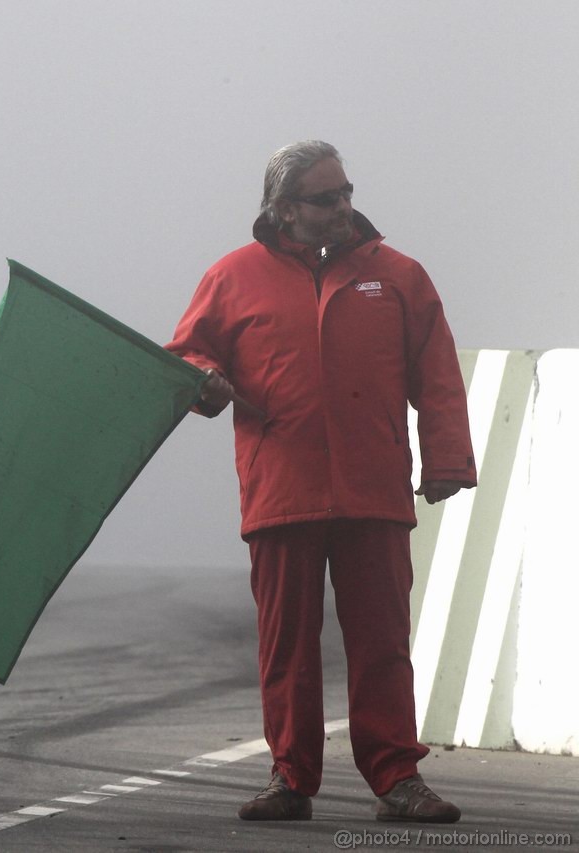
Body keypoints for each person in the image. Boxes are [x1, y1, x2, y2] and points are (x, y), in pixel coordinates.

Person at [166, 140, 476, 823]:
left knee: (382, 643)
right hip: (281, 491)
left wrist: (447, 458)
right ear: (284, 209)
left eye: (346, 192)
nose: (343, 207)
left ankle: (398, 776)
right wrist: (203, 384)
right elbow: (186, 355)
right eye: (324, 198)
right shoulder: (232, 277)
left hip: (374, 491)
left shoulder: (399, 276)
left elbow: (438, 373)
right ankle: (290, 777)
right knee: (287, 647)